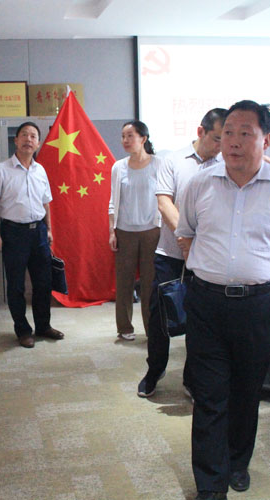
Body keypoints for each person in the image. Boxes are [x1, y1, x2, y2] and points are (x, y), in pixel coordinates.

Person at [175, 100, 270, 500]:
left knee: (246, 391)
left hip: (257, 305)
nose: (233, 141)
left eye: (245, 133)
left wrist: (258, 271)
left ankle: (237, 462)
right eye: (228, 133)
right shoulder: (199, 184)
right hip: (207, 303)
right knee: (209, 393)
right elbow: (186, 234)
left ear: (266, 139)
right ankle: (210, 484)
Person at [137, 108, 227, 398]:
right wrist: (188, 239)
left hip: (209, 260)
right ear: (201, 132)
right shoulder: (173, 161)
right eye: (217, 138)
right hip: (171, 254)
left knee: (201, 321)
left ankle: (191, 378)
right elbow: (164, 203)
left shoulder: (227, 164)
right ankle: (154, 371)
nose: (222, 146)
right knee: (160, 316)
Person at [0, 122, 65, 348]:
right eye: (24, 135)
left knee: (43, 283)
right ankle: (22, 330)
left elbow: (46, 202)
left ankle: (43, 326)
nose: (28, 139)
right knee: (16, 285)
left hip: (38, 232)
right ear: (16, 140)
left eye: (33, 136)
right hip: (13, 233)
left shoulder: (41, 170)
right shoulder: (1, 170)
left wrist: (49, 229)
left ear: (38, 143)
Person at [108, 121, 162, 341]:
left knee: (150, 283)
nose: (125, 140)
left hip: (152, 231)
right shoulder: (118, 167)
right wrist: (112, 231)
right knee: (124, 282)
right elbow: (113, 201)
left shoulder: (159, 164)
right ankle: (124, 327)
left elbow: (167, 197)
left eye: (130, 135)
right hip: (125, 231)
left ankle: (152, 328)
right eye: (123, 136)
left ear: (143, 138)